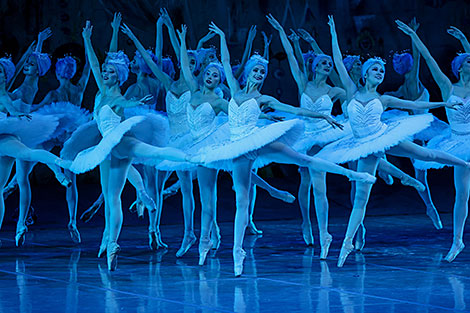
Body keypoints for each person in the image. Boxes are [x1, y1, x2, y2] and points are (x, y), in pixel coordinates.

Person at [200, 22, 376, 276]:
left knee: (304, 159)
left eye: (263, 72)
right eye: (256, 70)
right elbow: (226, 63)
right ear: (248, 72)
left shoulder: (264, 99)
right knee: (242, 199)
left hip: (257, 139)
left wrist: (323, 117)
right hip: (238, 145)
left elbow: (294, 110)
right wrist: (223, 36)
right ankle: (237, 250)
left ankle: (353, 174)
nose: (260, 74)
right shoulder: (235, 91)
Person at [319, 16, 470, 267]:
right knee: (361, 197)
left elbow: (415, 104)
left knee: (427, 155)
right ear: (366, 74)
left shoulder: (385, 100)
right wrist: (333, 34)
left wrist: (442, 104)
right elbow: (337, 62)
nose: (379, 73)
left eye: (382, 70)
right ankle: (346, 242)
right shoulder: (350, 90)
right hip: (364, 144)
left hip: (382, 136)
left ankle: (458, 166)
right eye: (375, 70)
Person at [71, 21, 188, 271]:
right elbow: (93, 64)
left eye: (111, 72)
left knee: (154, 154)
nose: (105, 74)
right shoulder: (102, 91)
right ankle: (111, 242)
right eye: (106, 71)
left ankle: (188, 158)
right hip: (110, 149)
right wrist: (87, 40)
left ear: (119, 76)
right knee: (112, 198)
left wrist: (133, 101)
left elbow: (126, 101)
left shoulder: (118, 96)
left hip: (119, 143)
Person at [397, 20, 470, 262]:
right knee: (463, 193)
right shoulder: (447, 86)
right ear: (460, 68)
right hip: (458, 142)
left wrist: (463, 41)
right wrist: (413, 35)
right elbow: (428, 59)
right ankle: (457, 241)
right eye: (468, 61)